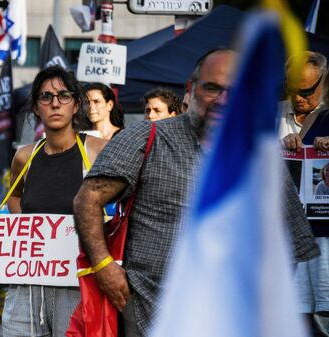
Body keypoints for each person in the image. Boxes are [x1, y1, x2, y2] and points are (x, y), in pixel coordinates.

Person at [73, 49, 320, 337]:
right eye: (212, 88)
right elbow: (87, 199)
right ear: (191, 90)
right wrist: (104, 267)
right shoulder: (148, 137)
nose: (223, 100)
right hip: (149, 314)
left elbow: (291, 240)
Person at [2, 66, 107, 337]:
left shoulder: (96, 151)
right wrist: (29, 227)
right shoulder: (24, 157)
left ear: (76, 104)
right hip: (27, 284)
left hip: (78, 285)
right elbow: (14, 196)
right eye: (46, 97)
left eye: (63, 95)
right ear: (37, 108)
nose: (55, 103)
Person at [282, 61, 329, 336]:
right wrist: (285, 149)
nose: (298, 97)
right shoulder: (307, 118)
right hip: (296, 234)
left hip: (325, 239)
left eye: (307, 90)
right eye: (292, 90)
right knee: (298, 313)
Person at [279, 51, 327, 138]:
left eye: (306, 92)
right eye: (292, 91)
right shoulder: (273, 114)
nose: (297, 99)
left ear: (323, 82)